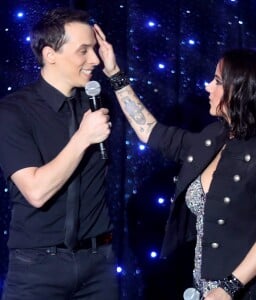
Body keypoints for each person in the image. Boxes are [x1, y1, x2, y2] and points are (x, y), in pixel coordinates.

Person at [95, 25, 256, 300]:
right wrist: (114, 73)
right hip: (205, 290)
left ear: (240, 90)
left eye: (217, 80)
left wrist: (229, 288)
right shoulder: (211, 138)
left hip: (246, 293)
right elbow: (150, 131)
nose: (207, 86)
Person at [0, 8, 119, 300]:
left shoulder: (95, 103)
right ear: (50, 54)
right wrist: (82, 138)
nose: (95, 60)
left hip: (97, 266)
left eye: (95, 49)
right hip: (37, 269)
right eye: (83, 51)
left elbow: (150, 131)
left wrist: (115, 74)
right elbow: (36, 191)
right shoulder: (13, 112)